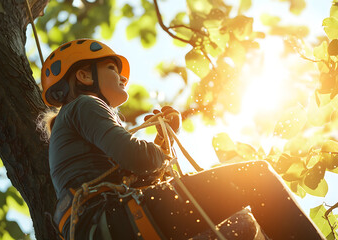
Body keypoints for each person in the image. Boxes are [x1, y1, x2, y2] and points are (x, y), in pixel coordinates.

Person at [39, 39, 326, 240]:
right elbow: (136, 158)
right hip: (113, 221)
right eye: (112, 69)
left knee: (242, 225)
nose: (122, 79)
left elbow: (133, 172)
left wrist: (163, 142)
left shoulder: (76, 124)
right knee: (255, 178)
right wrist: (158, 151)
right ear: (83, 75)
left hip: (108, 227)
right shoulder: (85, 105)